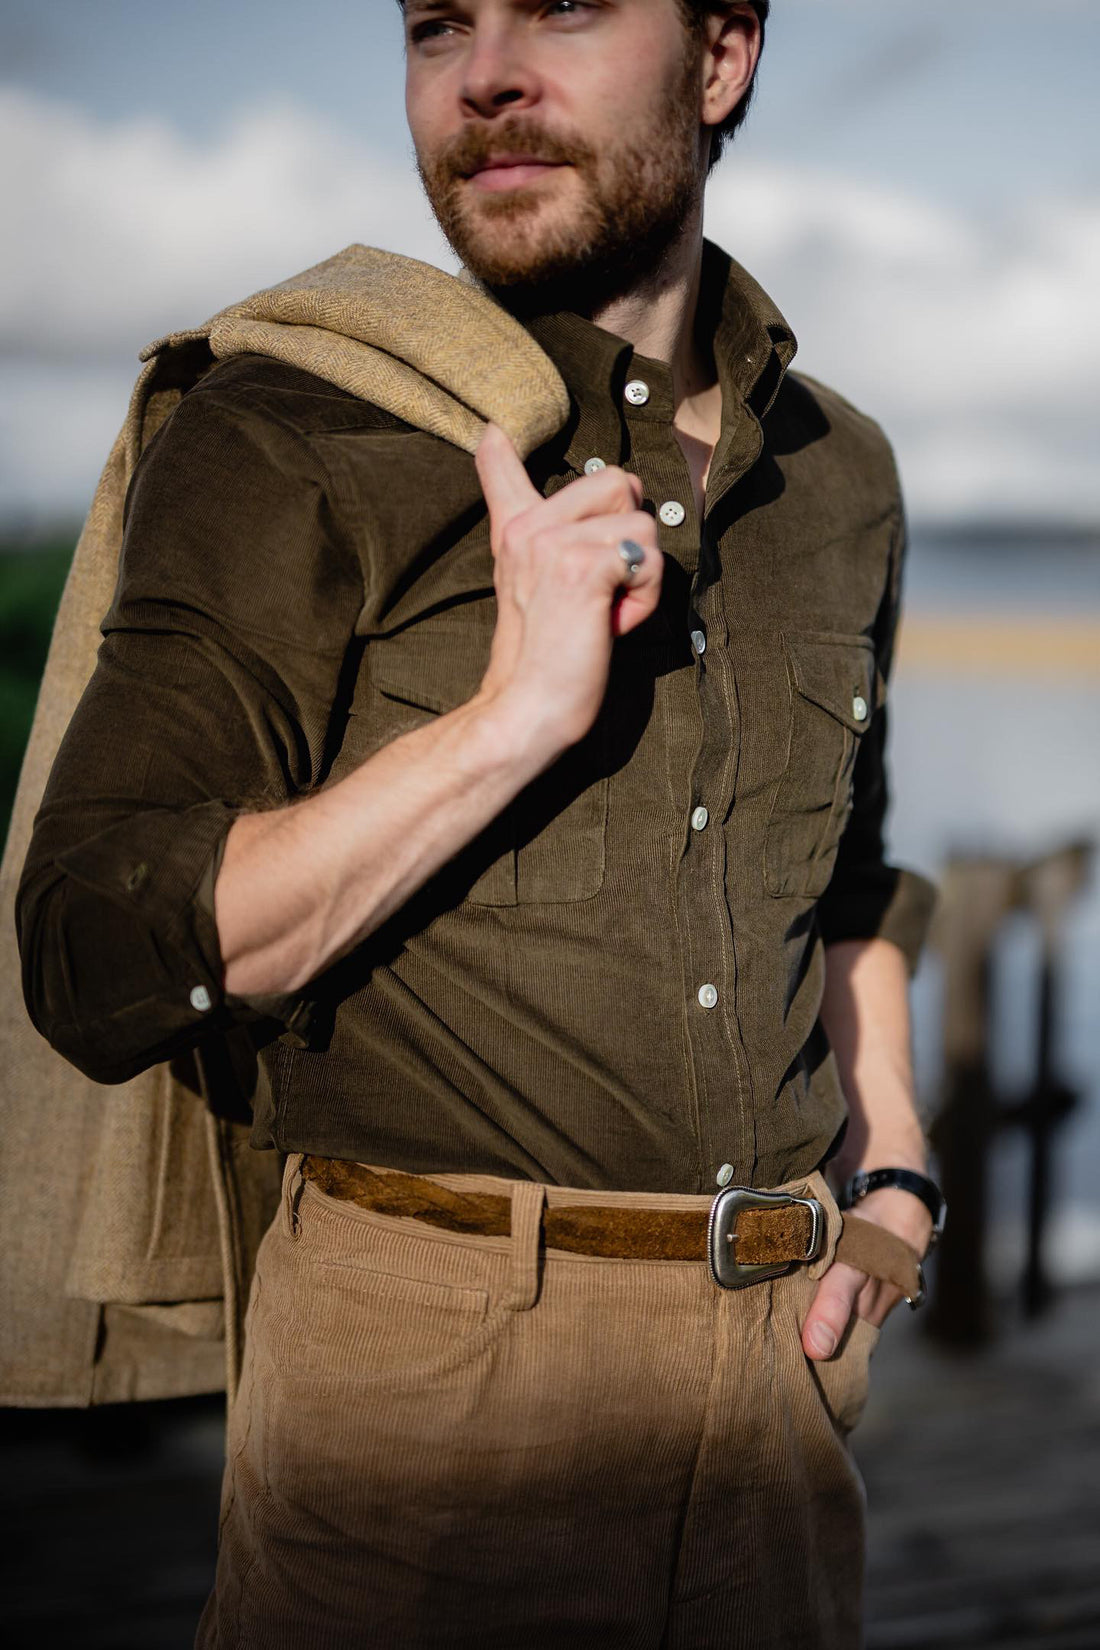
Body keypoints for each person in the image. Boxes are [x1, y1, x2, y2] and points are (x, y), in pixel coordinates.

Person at [17, 0, 945, 1644]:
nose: (487, 74)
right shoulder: (298, 426)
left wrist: (901, 1183)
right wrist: (509, 723)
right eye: (440, 22)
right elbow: (97, 948)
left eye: (565, 9)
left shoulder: (842, 470)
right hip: (425, 1415)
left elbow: (847, 877)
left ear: (722, 56)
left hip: (783, 1401)